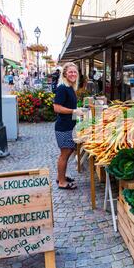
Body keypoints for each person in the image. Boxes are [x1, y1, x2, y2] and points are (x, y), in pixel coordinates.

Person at [53, 62, 84, 190]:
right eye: (70, 72)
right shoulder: (62, 88)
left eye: (75, 72)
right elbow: (56, 108)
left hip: (68, 125)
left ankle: (61, 176)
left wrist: (77, 109)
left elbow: (69, 105)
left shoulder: (70, 87)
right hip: (63, 126)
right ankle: (61, 182)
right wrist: (73, 111)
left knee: (68, 151)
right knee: (65, 153)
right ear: (65, 73)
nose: (73, 74)